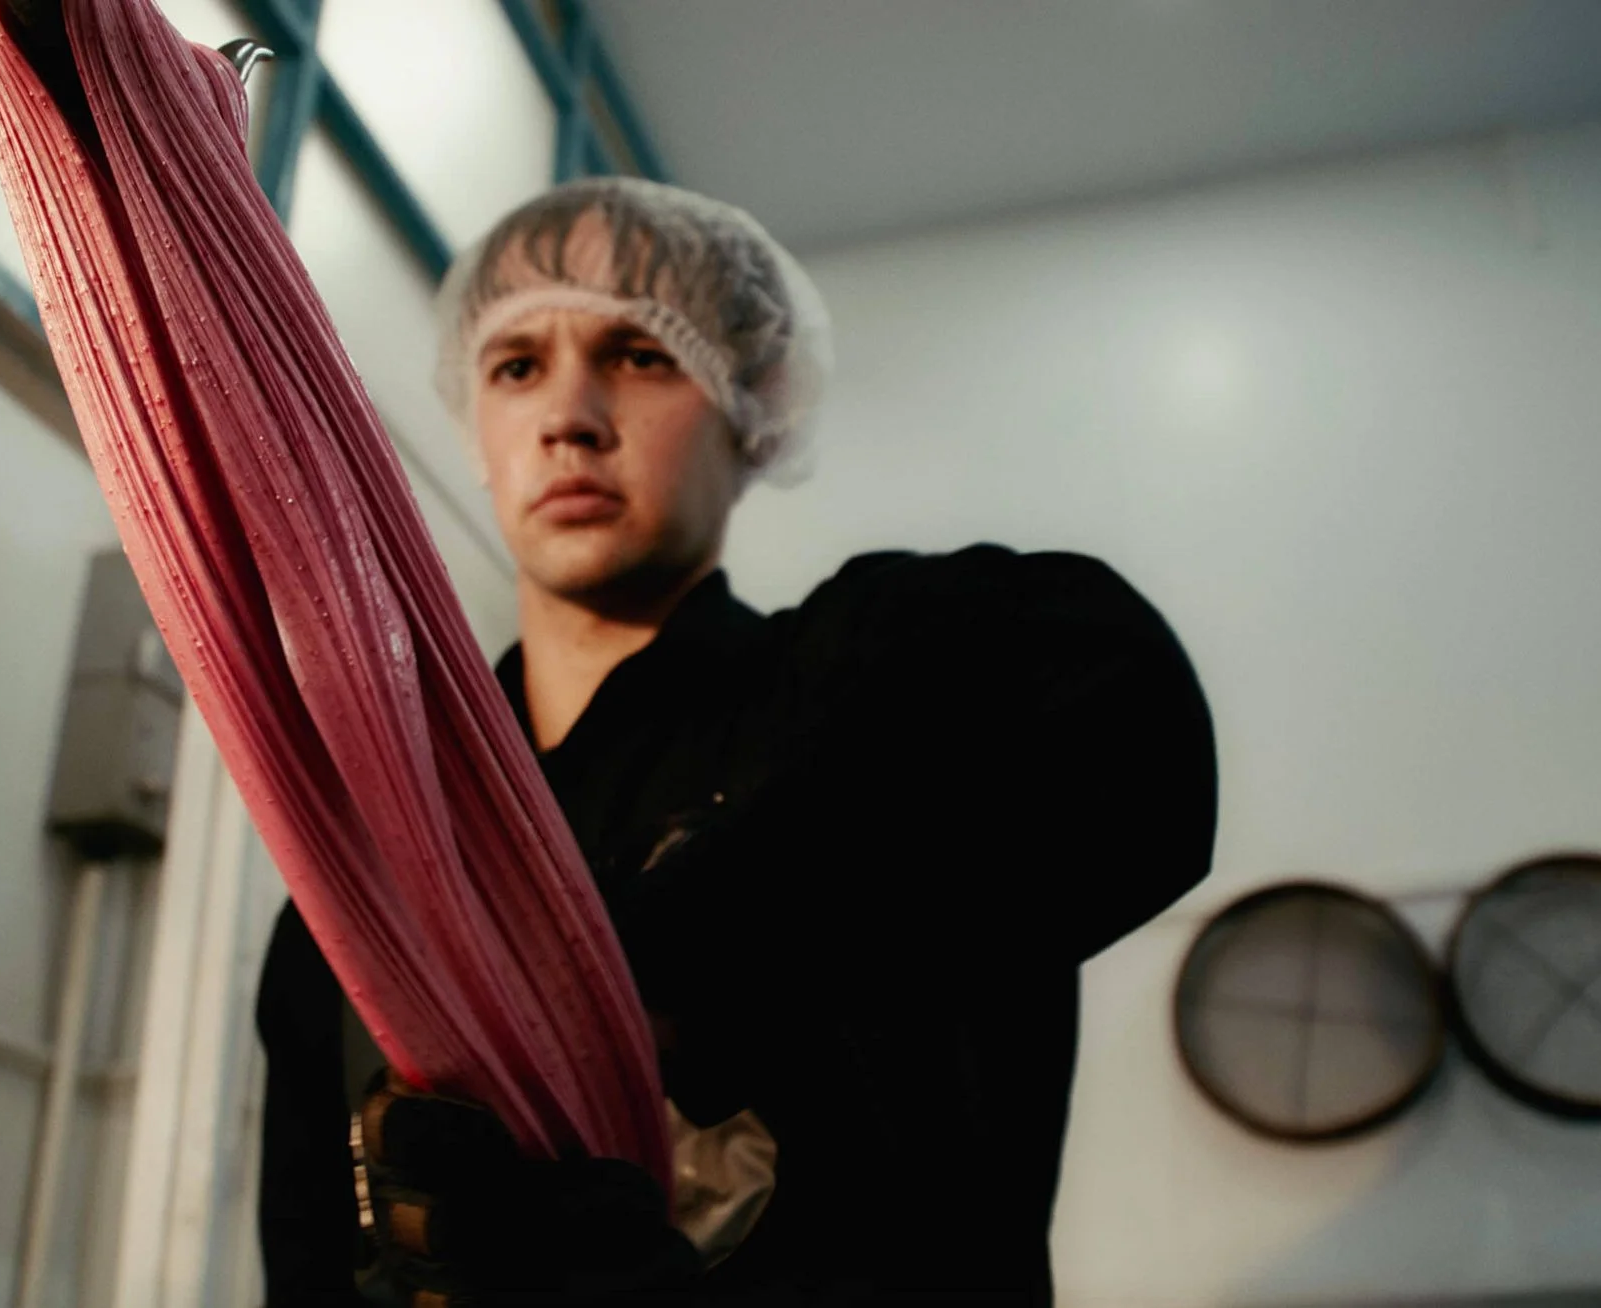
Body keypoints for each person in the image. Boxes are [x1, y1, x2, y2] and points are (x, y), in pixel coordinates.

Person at [255, 176, 1218, 1307]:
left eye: (638, 354)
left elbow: (1120, 703)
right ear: (475, 429)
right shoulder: (364, 887)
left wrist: (652, 963)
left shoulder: (882, 690)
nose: (568, 415)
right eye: (516, 367)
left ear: (751, 399)